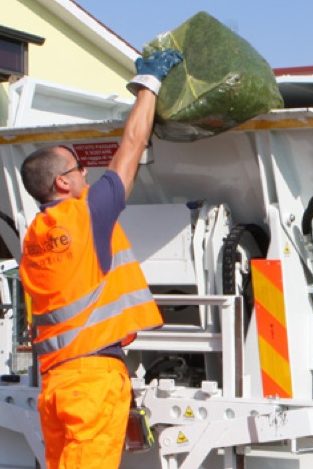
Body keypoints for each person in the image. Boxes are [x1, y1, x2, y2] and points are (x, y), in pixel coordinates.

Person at [18, 49, 183, 469]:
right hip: (92, 381)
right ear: (62, 181)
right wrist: (150, 84)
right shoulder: (85, 214)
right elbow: (131, 148)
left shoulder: (35, 236)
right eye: (78, 168)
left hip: (56, 383)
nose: (86, 174)